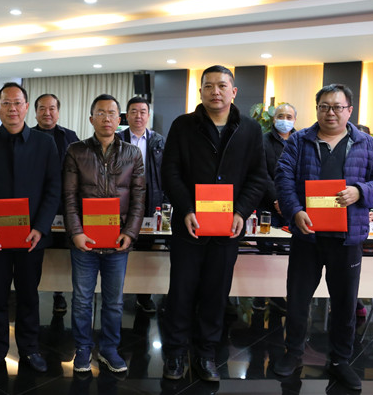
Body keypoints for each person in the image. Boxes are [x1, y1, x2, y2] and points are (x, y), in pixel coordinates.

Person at [272, 84, 373, 391]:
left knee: (345, 304)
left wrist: (360, 191)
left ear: (349, 110)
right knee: (298, 300)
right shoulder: (299, 140)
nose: (330, 112)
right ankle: (293, 353)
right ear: (317, 109)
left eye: (337, 107)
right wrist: (295, 211)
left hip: (347, 239)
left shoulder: (367, 144)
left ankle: (340, 360)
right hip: (307, 235)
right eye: (324, 106)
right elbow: (283, 179)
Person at [161, 65, 267, 381]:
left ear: (234, 91)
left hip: (227, 229)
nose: (215, 91)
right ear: (201, 91)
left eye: (222, 85)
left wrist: (241, 212)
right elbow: (170, 172)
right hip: (189, 226)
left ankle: (206, 354)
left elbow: (258, 177)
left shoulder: (250, 129)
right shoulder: (183, 125)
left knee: (216, 294)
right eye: (209, 86)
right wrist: (186, 209)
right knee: (180, 293)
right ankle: (175, 354)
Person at [0, 82, 61, 375]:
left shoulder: (44, 143)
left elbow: (53, 189)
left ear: (26, 107)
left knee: (29, 295)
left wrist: (41, 228)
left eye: (18, 103)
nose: (12, 109)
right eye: (6, 103)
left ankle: (30, 348)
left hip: (31, 236)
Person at [63, 94, 146, 374]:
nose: (106, 118)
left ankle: (109, 349)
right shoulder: (76, 151)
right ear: (91, 119)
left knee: (114, 302)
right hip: (84, 242)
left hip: (117, 241)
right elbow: (69, 196)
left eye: (111, 113)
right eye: (100, 113)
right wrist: (76, 233)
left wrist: (130, 233)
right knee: (82, 300)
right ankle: (83, 348)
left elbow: (139, 198)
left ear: (119, 119)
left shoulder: (132, 153)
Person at [31, 93, 79, 313]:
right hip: (36, 205)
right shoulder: (28, 135)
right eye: (42, 108)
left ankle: (59, 293)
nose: (47, 113)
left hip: (63, 203)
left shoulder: (70, 136)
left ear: (58, 112)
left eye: (52, 108)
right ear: (35, 112)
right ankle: (31, 292)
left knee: (62, 250)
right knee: (36, 249)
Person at [118, 96, 166, 314]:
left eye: (143, 112)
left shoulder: (159, 141)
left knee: (146, 249)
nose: (138, 116)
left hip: (150, 200)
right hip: (123, 201)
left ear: (148, 115)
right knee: (120, 245)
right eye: (134, 111)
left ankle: (144, 296)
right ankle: (117, 291)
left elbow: (165, 174)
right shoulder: (117, 139)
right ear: (127, 116)